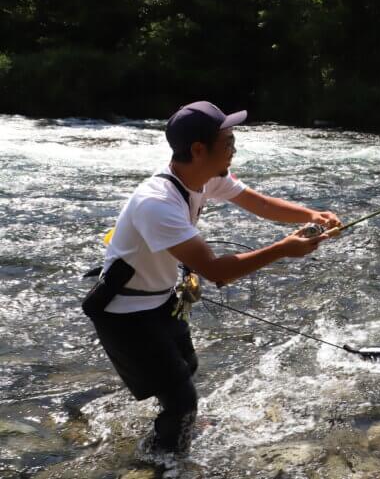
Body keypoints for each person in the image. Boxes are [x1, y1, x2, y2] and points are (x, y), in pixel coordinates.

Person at [82, 101, 341, 457]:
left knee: (187, 367)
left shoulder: (206, 177)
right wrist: (283, 249)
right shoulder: (156, 202)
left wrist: (313, 214)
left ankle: (168, 433)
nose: (235, 149)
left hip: (160, 299)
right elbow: (216, 271)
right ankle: (164, 461)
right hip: (125, 313)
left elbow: (260, 204)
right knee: (182, 401)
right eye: (229, 143)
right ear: (199, 150)